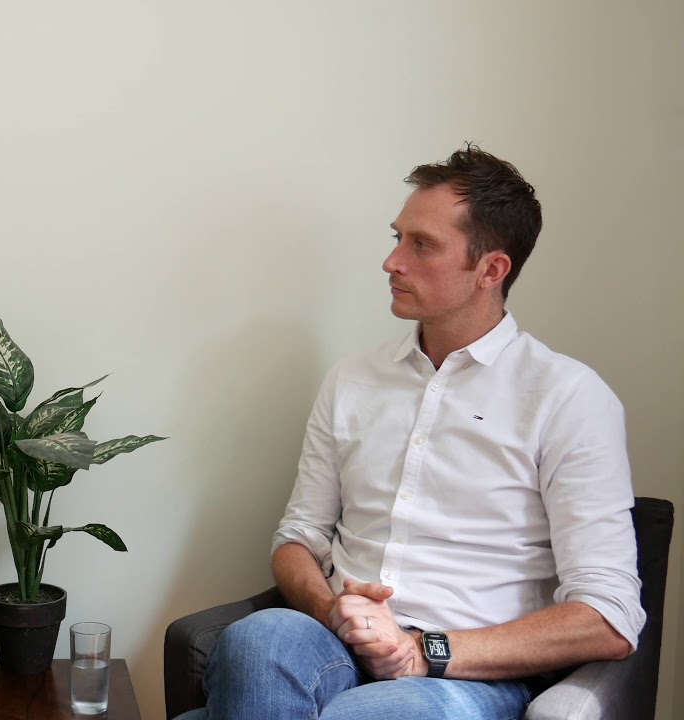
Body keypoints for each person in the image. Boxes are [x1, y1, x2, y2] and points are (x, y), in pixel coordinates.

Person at [185, 146, 644, 719]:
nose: (391, 261)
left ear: (491, 270)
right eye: (397, 237)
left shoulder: (568, 397)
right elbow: (299, 538)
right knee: (259, 639)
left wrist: (423, 651)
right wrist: (334, 611)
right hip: (337, 643)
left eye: (421, 244)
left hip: (470, 675)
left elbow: (608, 617)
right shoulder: (353, 379)